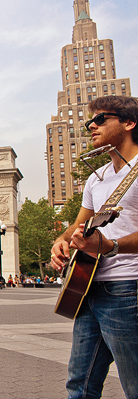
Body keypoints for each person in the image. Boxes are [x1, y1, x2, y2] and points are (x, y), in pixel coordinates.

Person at [50, 96, 138, 399]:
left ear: (129, 123)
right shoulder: (95, 178)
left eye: (100, 119)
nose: (90, 126)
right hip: (87, 287)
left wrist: (111, 246)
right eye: (90, 121)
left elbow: (109, 240)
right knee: (79, 384)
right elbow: (77, 226)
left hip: (129, 288)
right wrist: (59, 244)